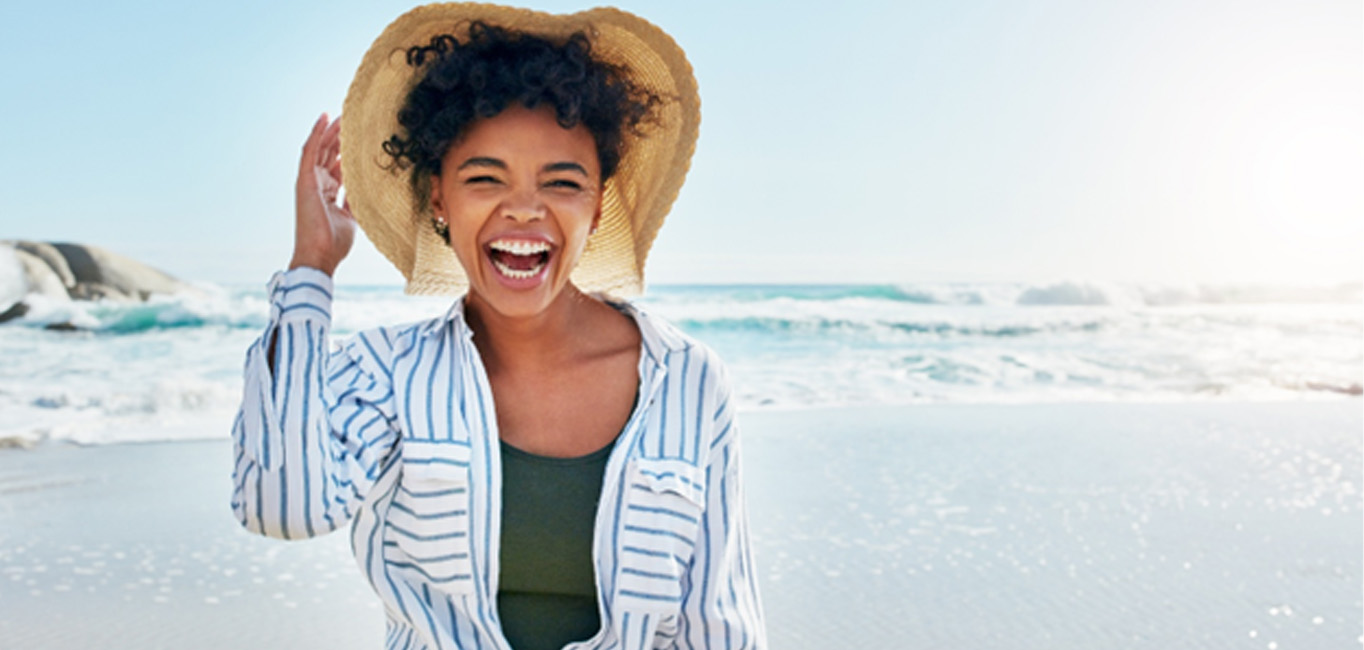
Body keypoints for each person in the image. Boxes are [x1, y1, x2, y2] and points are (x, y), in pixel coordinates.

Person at [229, 4, 766, 650]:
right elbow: (281, 503)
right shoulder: (389, 375)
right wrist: (312, 269)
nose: (523, 210)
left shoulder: (689, 383)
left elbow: (722, 629)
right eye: (485, 178)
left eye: (562, 183)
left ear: (597, 206)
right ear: (438, 199)